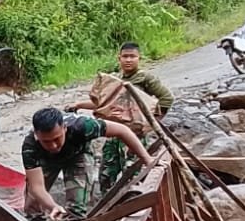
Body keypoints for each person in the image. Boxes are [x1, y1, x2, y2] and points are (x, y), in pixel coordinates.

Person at [21, 107, 152, 221]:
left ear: (64, 128)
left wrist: (147, 160)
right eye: (46, 141)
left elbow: (123, 130)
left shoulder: (82, 126)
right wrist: (53, 206)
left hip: (77, 156)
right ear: (37, 136)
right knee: (32, 207)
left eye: (57, 139)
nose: (53, 145)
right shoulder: (30, 146)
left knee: (76, 208)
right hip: (46, 161)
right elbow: (36, 187)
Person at [71, 42, 173, 190]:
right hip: (114, 134)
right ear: (119, 58)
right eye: (125, 56)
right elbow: (102, 104)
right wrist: (78, 105)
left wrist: (152, 122)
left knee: (133, 175)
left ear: (139, 58)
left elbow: (166, 98)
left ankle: (132, 202)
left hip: (134, 136)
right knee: (106, 175)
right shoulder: (115, 80)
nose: (128, 60)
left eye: (132, 56)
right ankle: (108, 202)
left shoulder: (144, 78)